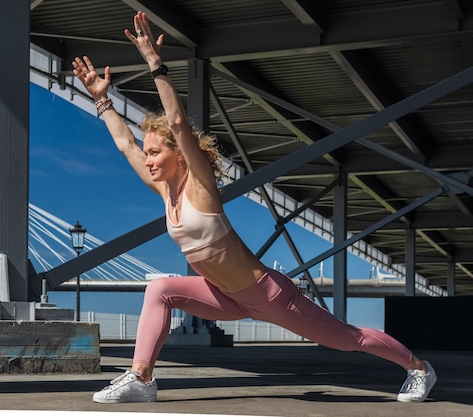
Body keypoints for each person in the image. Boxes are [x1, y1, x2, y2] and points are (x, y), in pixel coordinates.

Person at [72, 11, 437, 404]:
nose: (148, 160)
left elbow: (177, 122)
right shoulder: (166, 192)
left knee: (349, 340)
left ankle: (418, 368)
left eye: (155, 152)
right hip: (224, 297)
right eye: (148, 154)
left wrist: (155, 64)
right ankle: (141, 379)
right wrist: (101, 99)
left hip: (269, 296)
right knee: (160, 289)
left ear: (179, 154)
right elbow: (126, 144)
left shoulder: (200, 187)